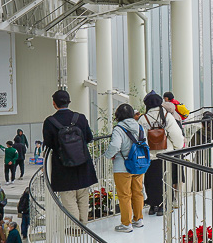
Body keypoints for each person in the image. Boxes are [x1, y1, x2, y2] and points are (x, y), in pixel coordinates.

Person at [43, 89, 97, 225]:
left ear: (54, 104)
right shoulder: (81, 118)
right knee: (83, 196)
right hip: (83, 165)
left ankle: (76, 228)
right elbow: (89, 138)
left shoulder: (50, 122)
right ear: (69, 102)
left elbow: (49, 144)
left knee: (69, 198)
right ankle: (84, 225)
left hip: (63, 167)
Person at [137, 92, 184, 216]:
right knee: (166, 179)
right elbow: (177, 135)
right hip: (166, 154)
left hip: (150, 156)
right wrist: (177, 148)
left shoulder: (143, 119)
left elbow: (140, 138)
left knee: (151, 180)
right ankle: (164, 205)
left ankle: (153, 205)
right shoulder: (166, 116)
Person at [104, 103, 146, 233]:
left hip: (122, 166)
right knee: (138, 192)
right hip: (138, 164)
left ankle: (126, 224)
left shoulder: (119, 129)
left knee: (124, 195)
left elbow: (115, 145)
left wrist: (108, 155)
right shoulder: (139, 127)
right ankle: (138, 219)